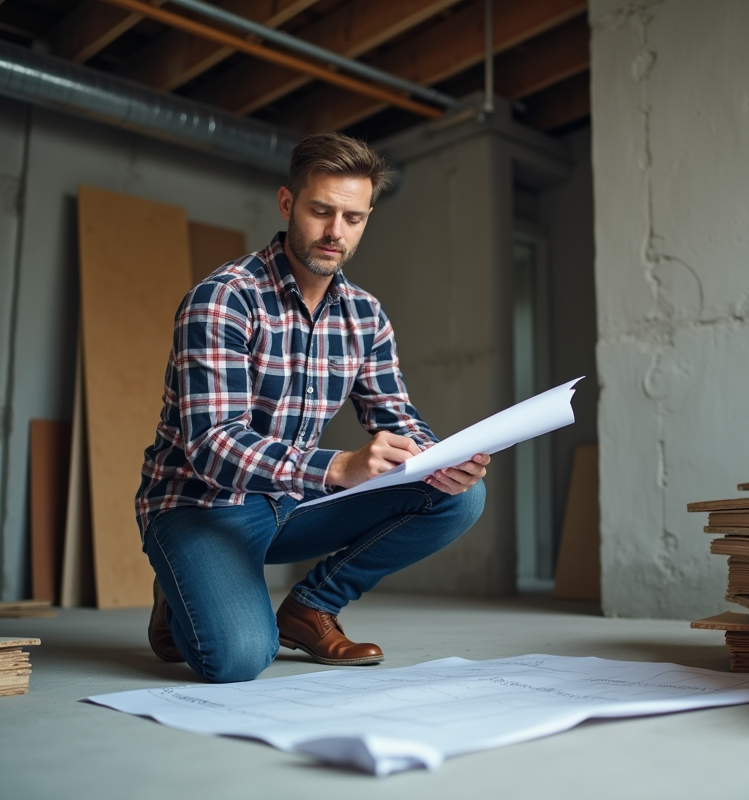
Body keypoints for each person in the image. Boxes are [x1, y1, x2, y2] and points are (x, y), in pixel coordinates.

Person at [134, 132, 487, 683]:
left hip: (292, 505)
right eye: (321, 211)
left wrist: (443, 457)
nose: (335, 233)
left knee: (458, 498)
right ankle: (178, 585)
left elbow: (395, 415)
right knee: (238, 659)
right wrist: (337, 467)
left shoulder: (366, 315)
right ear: (287, 204)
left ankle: (311, 608)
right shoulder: (225, 297)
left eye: (353, 218)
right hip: (201, 508)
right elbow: (212, 446)